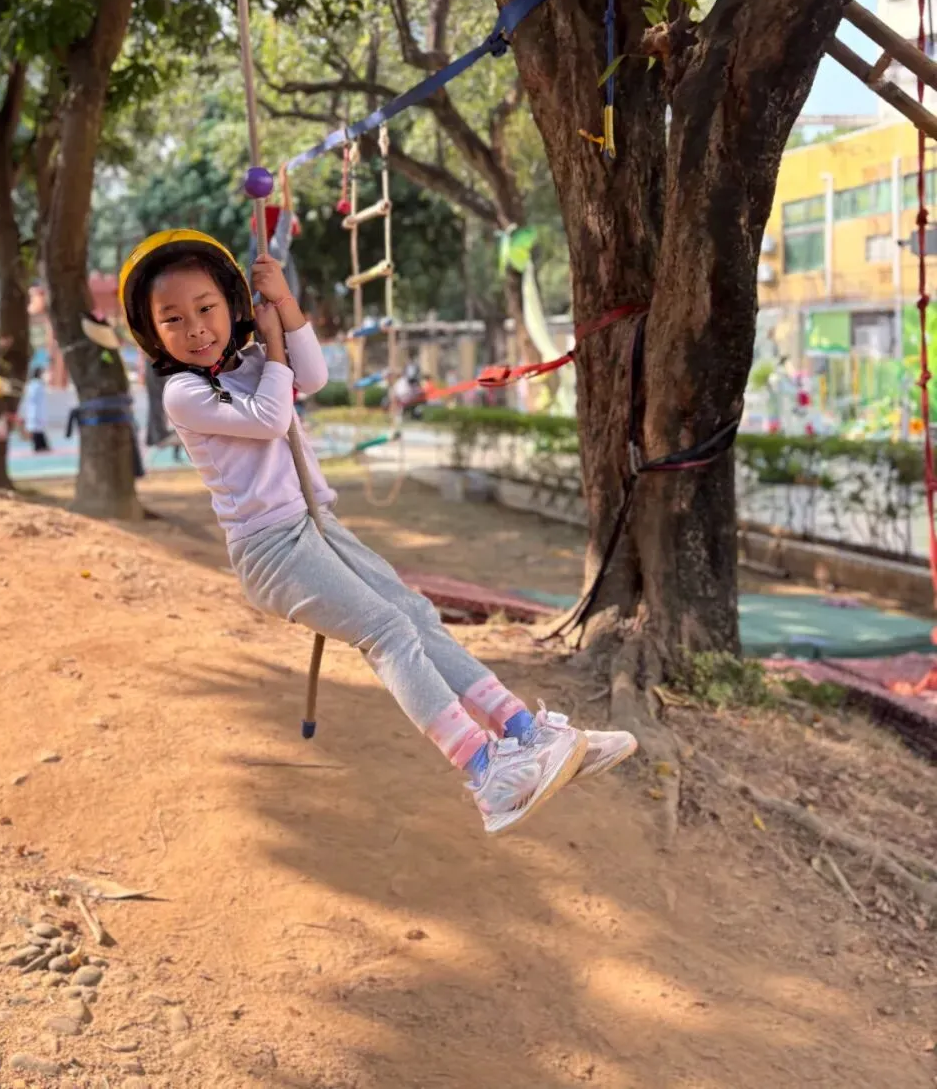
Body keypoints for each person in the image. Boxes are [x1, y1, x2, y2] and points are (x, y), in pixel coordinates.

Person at [119, 229, 636, 837]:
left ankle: (525, 733)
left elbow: (312, 376)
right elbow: (270, 417)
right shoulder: (183, 392)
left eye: (206, 307)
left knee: (415, 615)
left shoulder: (256, 363)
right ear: (153, 334)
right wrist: (273, 347)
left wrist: (283, 306)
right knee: (387, 631)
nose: (196, 328)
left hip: (318, 527)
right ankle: (486, 773)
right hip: (271, 550)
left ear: (232, 304)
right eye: (173, 319)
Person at [246, 163, 302, 304]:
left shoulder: (259, 244)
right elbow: (286, 215)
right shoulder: (274, 247)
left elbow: (284, 216)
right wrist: (284, 183)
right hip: (274, 303)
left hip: (269, 299)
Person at [21, 367, 50, 452]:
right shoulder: (35, 385)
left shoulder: (37, 384)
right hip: (35, 411)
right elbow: (32, 398)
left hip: (38, 410)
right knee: (36, 429)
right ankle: (38, 446)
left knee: (39, 429)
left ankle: (42, 446)